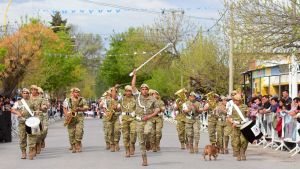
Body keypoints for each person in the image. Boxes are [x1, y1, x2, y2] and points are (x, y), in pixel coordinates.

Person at [131, 70, 160, 166]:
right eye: (142, 89)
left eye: (146, 89)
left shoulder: (153, 99)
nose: (144, 90)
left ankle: (148, 141)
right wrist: (135, 75)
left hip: (148, 119)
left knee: (147, 132)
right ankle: (144, 159)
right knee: (140, 141)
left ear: (148, 90)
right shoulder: (137, 96)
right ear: (141, 90)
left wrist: (150, 116)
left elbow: (157, 110)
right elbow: (133, 86)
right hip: (139, 120)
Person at [11, 88, 36, 160]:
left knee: (32, 137)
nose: (25, 94)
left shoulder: (32, 102)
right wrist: (17, 113)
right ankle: (23, 152)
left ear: (29, 94)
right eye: (24, 93)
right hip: (22, 122)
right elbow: (12, 109)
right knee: (22, 138)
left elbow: (37, 109)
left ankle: (31, 151)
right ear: (22, 94)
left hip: (31, 122)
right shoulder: (18, 102)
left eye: (27, 93)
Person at [63, 88, 88, 153]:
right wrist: (66, 115)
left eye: (78, 92)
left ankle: (78, 144)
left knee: (79, 131)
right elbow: (64, 107)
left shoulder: (82, 99)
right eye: (76, 92)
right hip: (71, 117)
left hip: (79, 117)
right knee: (71, 133)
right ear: (72, 93)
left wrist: (80, 108)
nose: (77, 93)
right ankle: (73, 145)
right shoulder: (67, 100)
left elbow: (86, 107)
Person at [227, 94, 249, 161]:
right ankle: (238, 154)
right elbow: (228, 117)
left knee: (244, 140)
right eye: (234, 100)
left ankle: (243, 152)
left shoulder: (245, 106)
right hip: (235, 125)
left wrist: (249, 113)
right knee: (236, 141)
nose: (234, 101)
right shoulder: (231, 107)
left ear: (239, 100)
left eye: (236, 100)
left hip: (244, 125)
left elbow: (247, 115)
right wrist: (232, 122)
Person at [29, 85, 48, 155]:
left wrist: (43, 107)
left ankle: (38, 143)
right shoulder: (28, 98)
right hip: (30, 117)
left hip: (40, 116)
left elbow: (45, 106)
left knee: (39, 132)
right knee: (31, 133)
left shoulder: (41, 98)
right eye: (32, 90)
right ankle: (32, 147)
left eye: (35, 90)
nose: (33, 91)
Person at [120, 85, 137, 157]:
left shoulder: (135, 98)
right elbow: (113, 98)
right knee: (125, 135)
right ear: (125, 92)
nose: (128, 92)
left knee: (133, 133)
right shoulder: (121, 99)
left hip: (133, 118)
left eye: (129, 91)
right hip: (124, 118)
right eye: (126, 91)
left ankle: (132, 144)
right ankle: (127, 150)